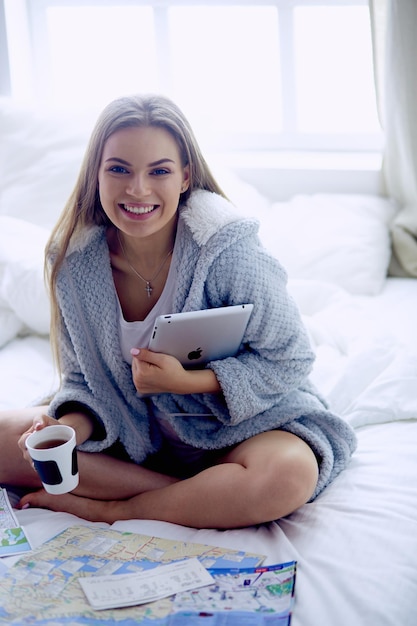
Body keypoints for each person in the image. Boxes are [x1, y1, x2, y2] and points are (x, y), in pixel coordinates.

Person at [0, 94, 356, 529]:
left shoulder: (228, 250)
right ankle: (195, 492)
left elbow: (292, 358)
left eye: (159, 171)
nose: (137, 189)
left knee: (287, 474)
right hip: (134, 439)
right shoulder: (73, 263)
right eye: (119, 169)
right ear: (96, 174)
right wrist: (71, 431)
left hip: (235, 432)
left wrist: (187, 381)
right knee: (6, 439)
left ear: (185, 177)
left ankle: (116, 505)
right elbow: (82, 383)